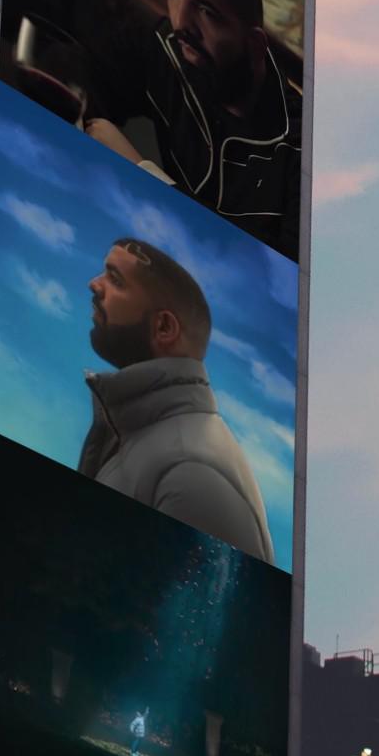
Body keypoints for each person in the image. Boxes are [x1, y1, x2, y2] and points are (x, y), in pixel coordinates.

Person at [84, 0, 302, 261]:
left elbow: (268, 273)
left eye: (206, 11)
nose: (180, 21)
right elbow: (83, 80)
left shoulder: (301, 152)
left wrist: (139, 170)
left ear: (256, 46)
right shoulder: (168, 50)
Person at [78, 235, 275, 565]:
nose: (94, 285)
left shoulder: (191, 472)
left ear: (164, 327)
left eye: (115, 280)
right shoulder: (144, 434)